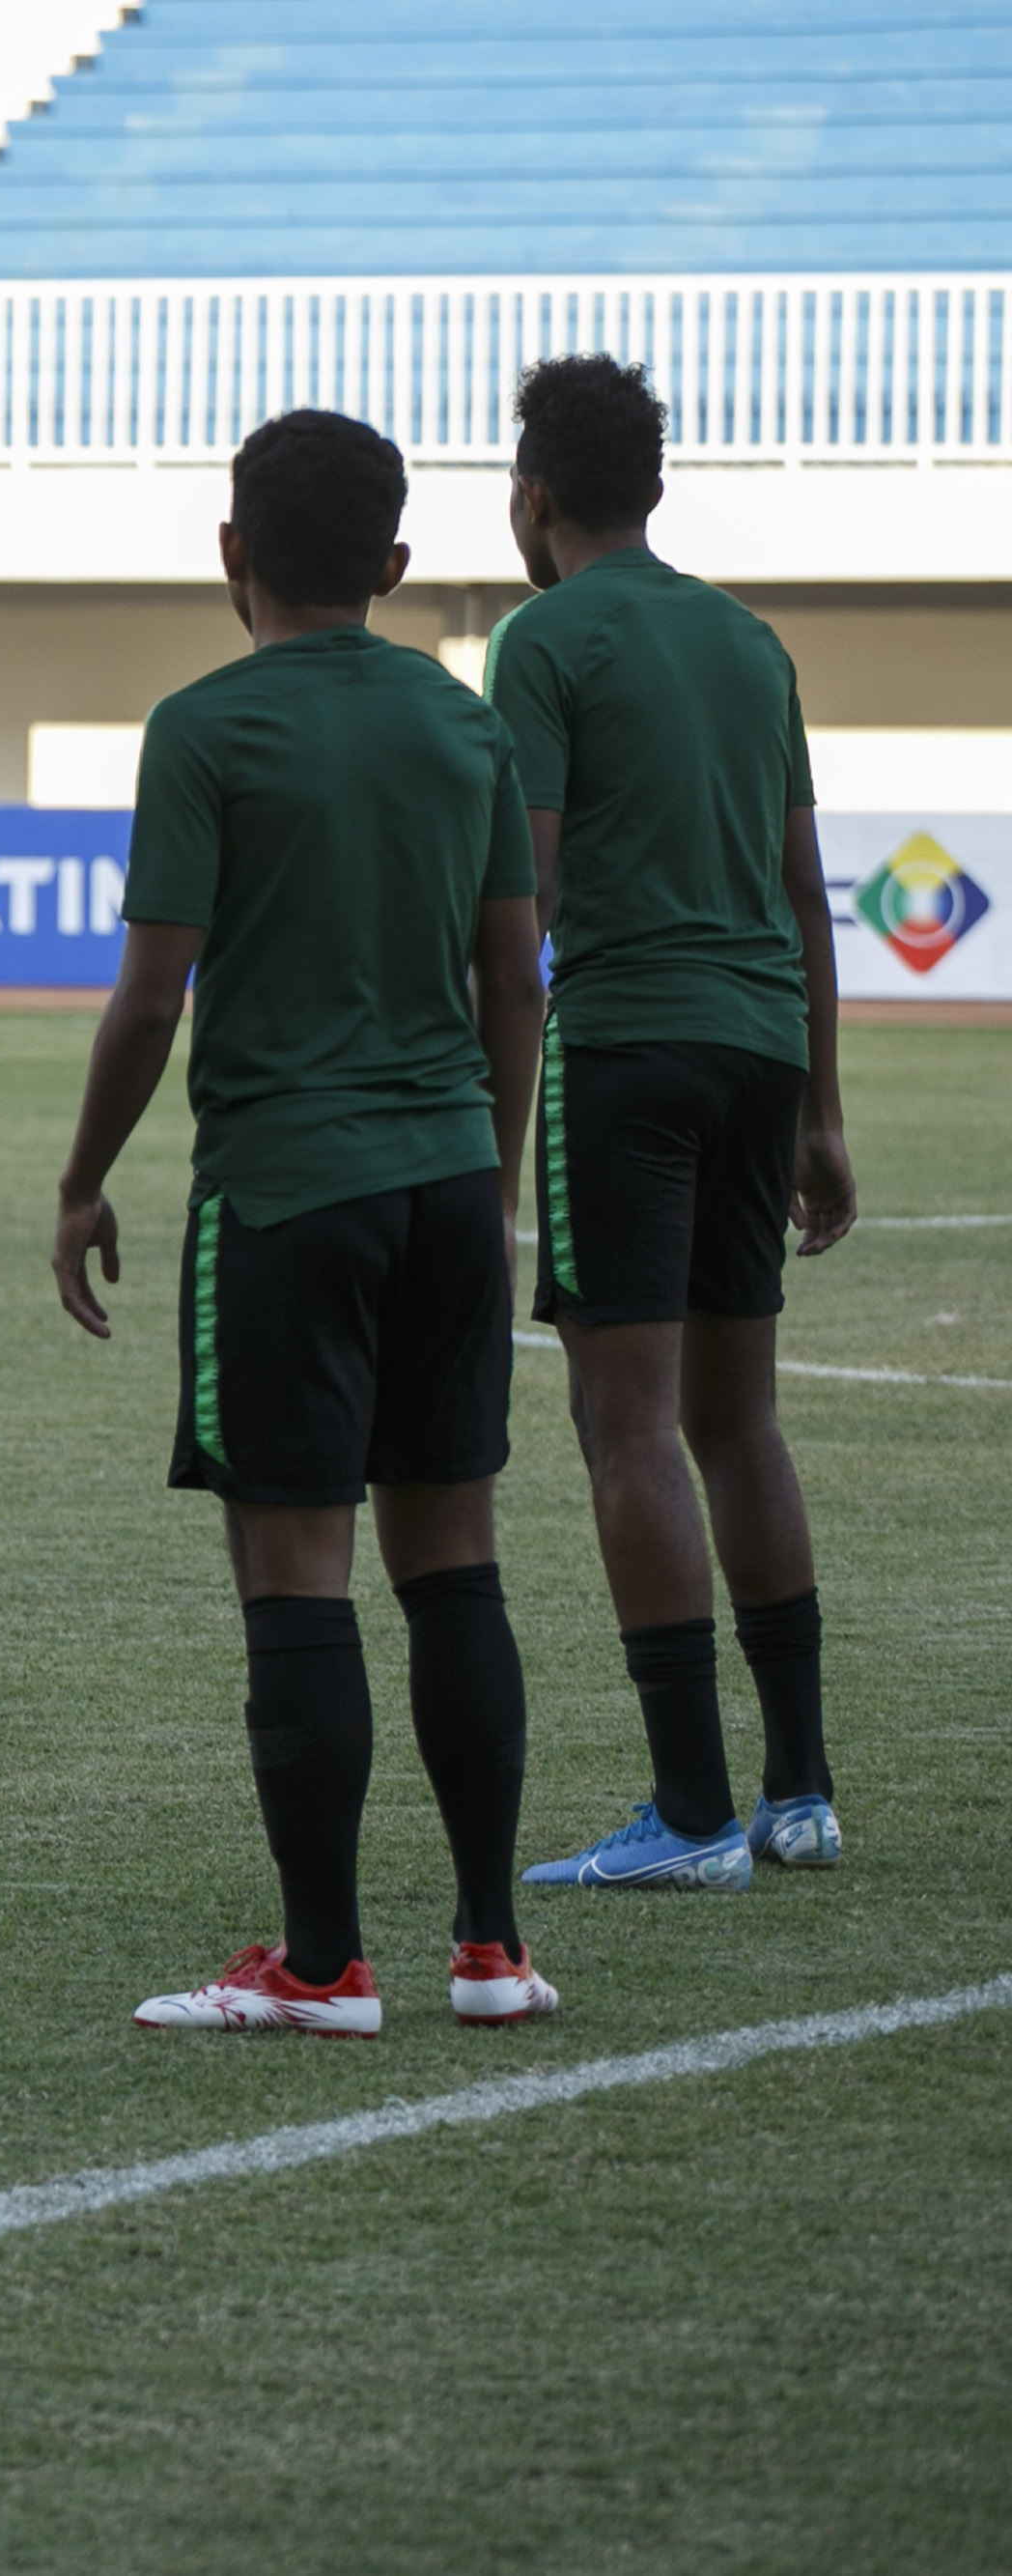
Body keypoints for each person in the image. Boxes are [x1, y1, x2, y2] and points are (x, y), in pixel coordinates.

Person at [53, 410, 556, 2038]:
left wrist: (80, 1178)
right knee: (454, 1560)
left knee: (296, 1564)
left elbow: (148, 996)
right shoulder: (460, 724)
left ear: (231, 554)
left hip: (285, 1190)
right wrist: (496, 1178)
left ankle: (327, 1964)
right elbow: (511, 974)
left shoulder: (204, 728)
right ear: (399, 566)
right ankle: (493, 1947)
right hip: (441, 1192)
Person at [491, 354, 852, 1894]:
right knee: (736, 1418)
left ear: (534, 494)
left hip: (629, 1045)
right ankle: (801, 1790)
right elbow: (801, 886)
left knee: (623, 1421)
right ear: (656, 482)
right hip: (763, 1047)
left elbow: (531, 895)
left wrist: (485, 1104)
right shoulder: (747, 639)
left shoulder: (543, 639)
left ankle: (691, 1809)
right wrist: (826, 1105)